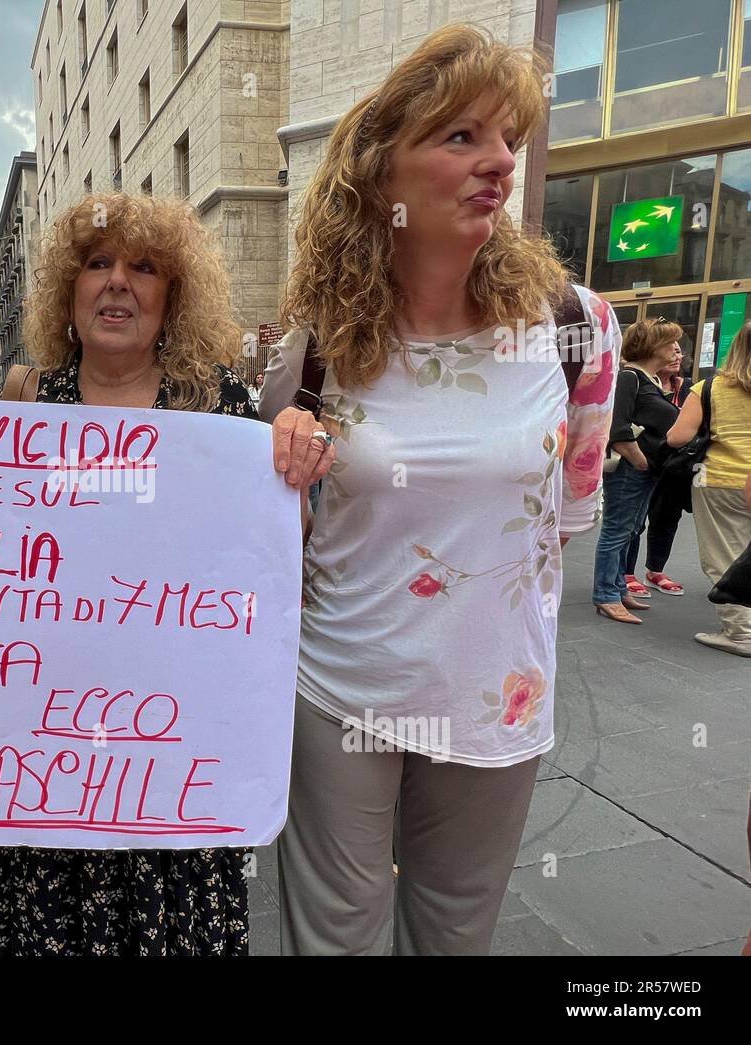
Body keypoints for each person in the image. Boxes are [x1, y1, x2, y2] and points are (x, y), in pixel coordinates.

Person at [259, 25, 618, 955]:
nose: (498, 162)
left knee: (456, 935)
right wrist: (287, 460)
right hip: (338, 690)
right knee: (333, 937)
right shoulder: (312, 350)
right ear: (383, 174)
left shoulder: (577, 330)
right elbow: (275, 540)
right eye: (460, 137)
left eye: (507, 138)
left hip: (497, 693)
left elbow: (563, 529)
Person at [0, 192, 335, 956]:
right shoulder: (22, 401)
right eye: (98, 263)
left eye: (144, 267)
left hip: (171, 744)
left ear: (175, 296)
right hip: (46, 741)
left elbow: (271, 561)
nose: (118, 283)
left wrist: (295, 467)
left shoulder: (222, 409)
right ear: (69, 289)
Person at [666, 322, 751, 656]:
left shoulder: (709, 388)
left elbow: (678, 437)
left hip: (720, 480)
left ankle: (741, 632)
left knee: (725, 554)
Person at [592, 319, 683, 624]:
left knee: (629, 530)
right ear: (653, 346)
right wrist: (639, 459)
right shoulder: (631, 376)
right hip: (631, 467)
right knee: (618, 531)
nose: (676, 349)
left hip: (644, 467)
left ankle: (616, 589)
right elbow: (617, 425)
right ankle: (606, 594)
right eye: (670, 342)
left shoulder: (650, 379)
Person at [623, 353, 692, 598]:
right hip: (643, 460)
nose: (677, 357)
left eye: (679, 352)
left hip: (673, 464)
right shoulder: (638, 381)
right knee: (633, 521)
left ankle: (655, 570)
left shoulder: (688, 388)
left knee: (667, 516)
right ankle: (627, 573)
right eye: (671, 350)